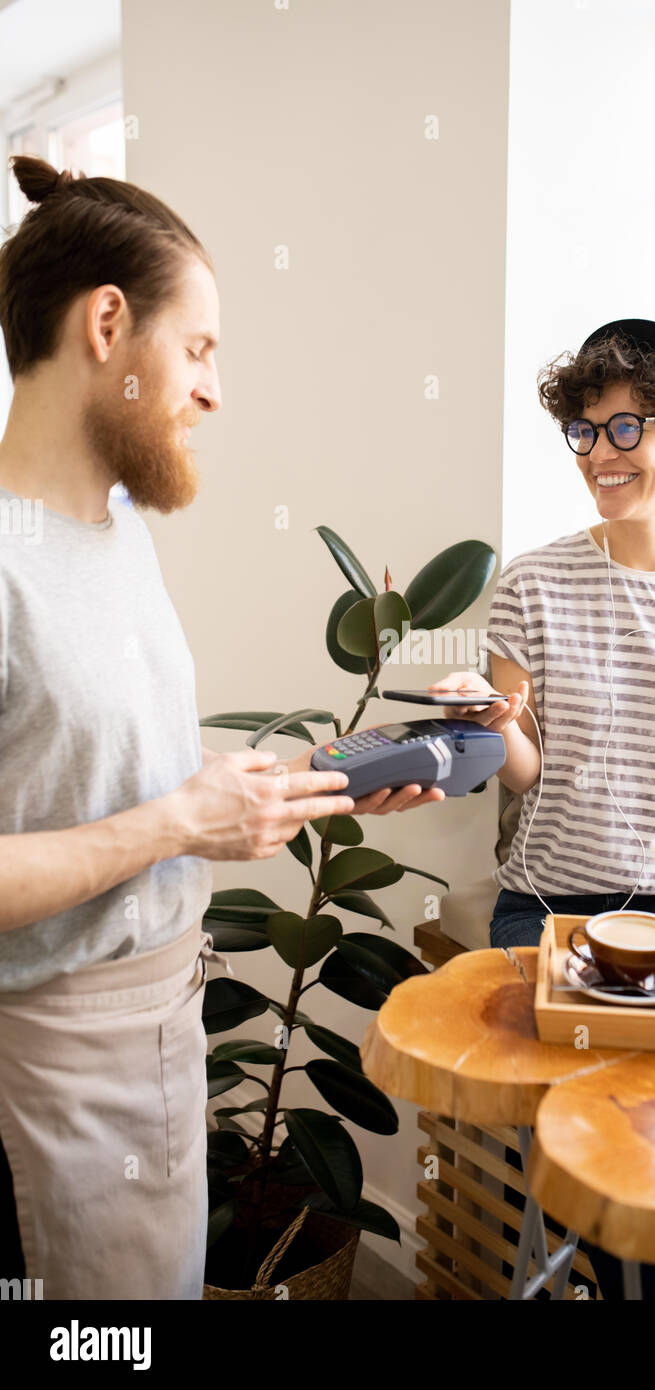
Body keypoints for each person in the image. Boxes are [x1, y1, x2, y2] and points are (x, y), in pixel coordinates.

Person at [0, 156, 446, 1300]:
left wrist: (302, 781)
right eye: (198, 349)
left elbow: (96, 772)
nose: (213, 389)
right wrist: (176, 821)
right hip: (54, 1064)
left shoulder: (113, 536)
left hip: (164, 1016)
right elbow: (142, 817)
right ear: (108, 324)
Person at [430, 317, 655, 1299]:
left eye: (625, 430)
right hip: (554, 916)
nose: (599, 454)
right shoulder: (531, 585)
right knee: (604, 1183)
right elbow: (521, 770)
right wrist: (485, 718)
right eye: (584, 433)